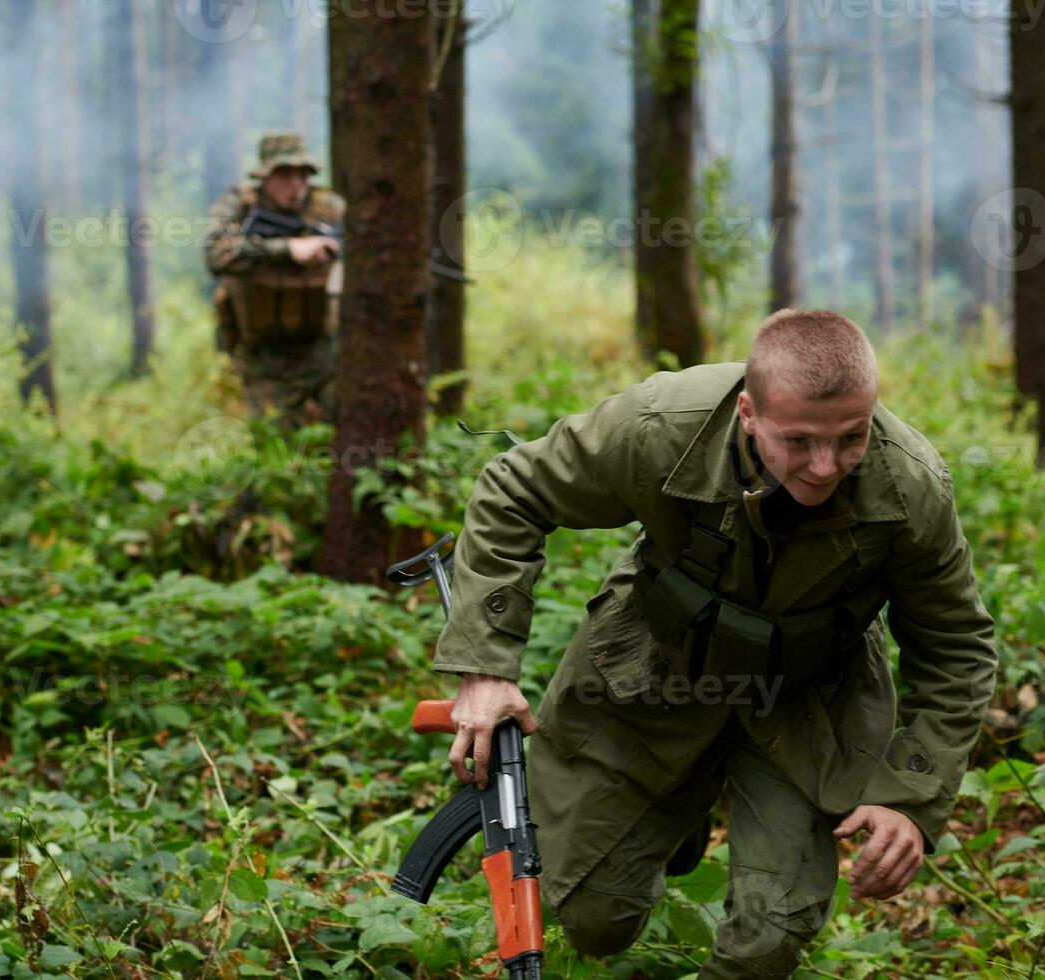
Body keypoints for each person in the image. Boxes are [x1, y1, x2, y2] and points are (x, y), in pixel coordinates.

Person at [430, 309, 998, 977]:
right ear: (750, 414)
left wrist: (907, 796)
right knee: (591, 917)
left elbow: (957, 643)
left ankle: (694, 805)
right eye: (799, 441)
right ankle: (678, 809)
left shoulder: (910, 485)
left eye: (852, 437)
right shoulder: (659, 428)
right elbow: (514, 490)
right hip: (654, 667)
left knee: (769, 936)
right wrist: (484, 666)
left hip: (805, 699)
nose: (826, 467)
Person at [203, 132, 345, 428]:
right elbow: (215, 254)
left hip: (324, 352)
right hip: (265, 358)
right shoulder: (240, 205)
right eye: (284, 174)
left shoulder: (328, 207)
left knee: (348, 438)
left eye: (303, 175)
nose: (296, 185)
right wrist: (285, 249)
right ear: (264, 176)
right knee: (273, 450)